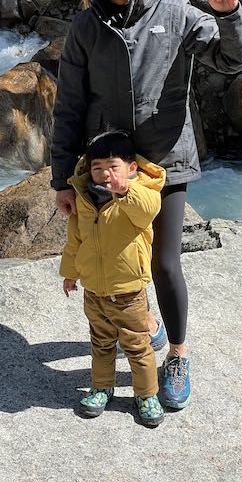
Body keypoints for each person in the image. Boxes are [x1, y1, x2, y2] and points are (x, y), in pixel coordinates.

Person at [51, 0, 242, 410]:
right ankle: (147, 321)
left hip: (166, 162)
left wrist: (229, 13)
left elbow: (236, 59)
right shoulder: (84, 28)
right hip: (108, 169)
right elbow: (69, 107)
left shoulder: (177, 13)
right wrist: (63, 179)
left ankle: (177, 355)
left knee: (163, 263)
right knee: (121, 260)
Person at [61, 130, 166, 426]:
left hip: (128, 291)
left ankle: (146, 394)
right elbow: (75, 239)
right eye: (97, 167)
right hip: (94, 290)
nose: (105, 174)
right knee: (101, 342)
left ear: (131, 168)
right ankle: (101, 388)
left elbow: (149, 210)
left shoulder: (139, 193)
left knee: (137, 346)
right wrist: (70, 273)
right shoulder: (84, 197)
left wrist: (125, 190)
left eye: (113, 166)